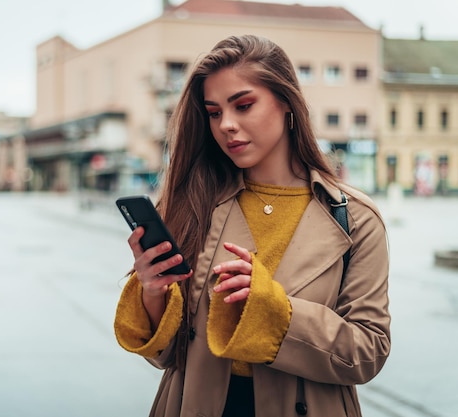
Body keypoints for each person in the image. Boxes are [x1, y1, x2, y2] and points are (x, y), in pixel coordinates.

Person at [114, 34, 390, 417]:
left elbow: (367, 353)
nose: (226, 124)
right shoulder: (194, 202)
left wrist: (271, 311)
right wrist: (152, 293)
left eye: (243, 105)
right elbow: (166, 356)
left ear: (287, 103)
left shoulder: (355, 218)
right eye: (213, 112)